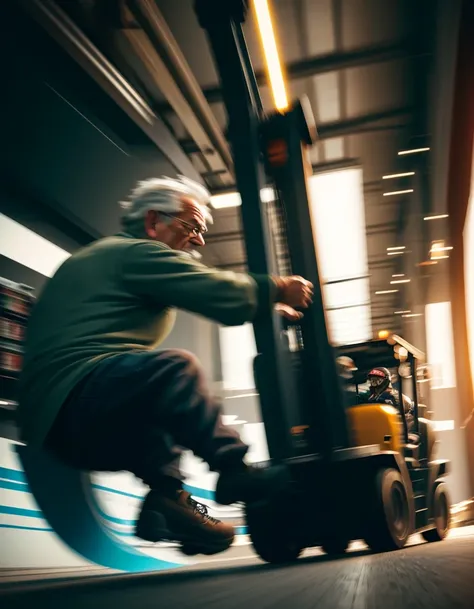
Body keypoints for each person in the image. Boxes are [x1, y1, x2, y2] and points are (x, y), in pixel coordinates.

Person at [17, 176, 313, 556]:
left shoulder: (114, 259)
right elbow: (207, 288)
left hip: (60, 425)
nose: (199, 240)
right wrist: (275, 287)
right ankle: (235, 471)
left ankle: (169, 504)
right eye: (192, 227)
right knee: (175, 370)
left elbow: (199, 290)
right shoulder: (133, 252)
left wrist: (265, 306)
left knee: (154, 397)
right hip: (74, 401)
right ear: (154, 221)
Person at [363, 367, 416, 436]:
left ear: (386, 380)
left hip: (391, 434)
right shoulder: (374, 397)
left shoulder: (392, 396)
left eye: (377, 381)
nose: (374, 384)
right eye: (373, 381)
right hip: (378, 431)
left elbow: (395, 421)